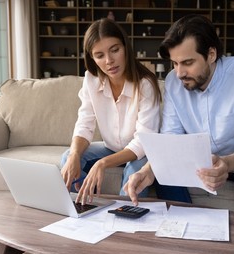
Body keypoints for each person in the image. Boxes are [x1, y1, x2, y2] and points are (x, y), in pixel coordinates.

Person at [123, 14, 234, 223]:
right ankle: (189, 235)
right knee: (164, 177)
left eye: (188, 62)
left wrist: (225, 163)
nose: (179, 73)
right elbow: (171, 138)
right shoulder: (174, 81)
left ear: (211, 54)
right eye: (174, 63)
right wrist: (147, 171)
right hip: (200, 158)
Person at [61, 18, 161, 205]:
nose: (109, 61)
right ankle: (85, 205)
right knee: (68, 156)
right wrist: (75, 154)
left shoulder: (145, 84)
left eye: (115, 50)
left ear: (125, 47)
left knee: (134, 172)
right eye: (99, 55)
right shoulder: (91, 79)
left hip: (140, 153)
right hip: (110, 148)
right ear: (92, 58)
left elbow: (143, 141)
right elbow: (84, 124)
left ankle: (123, 219)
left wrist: (103, 163)